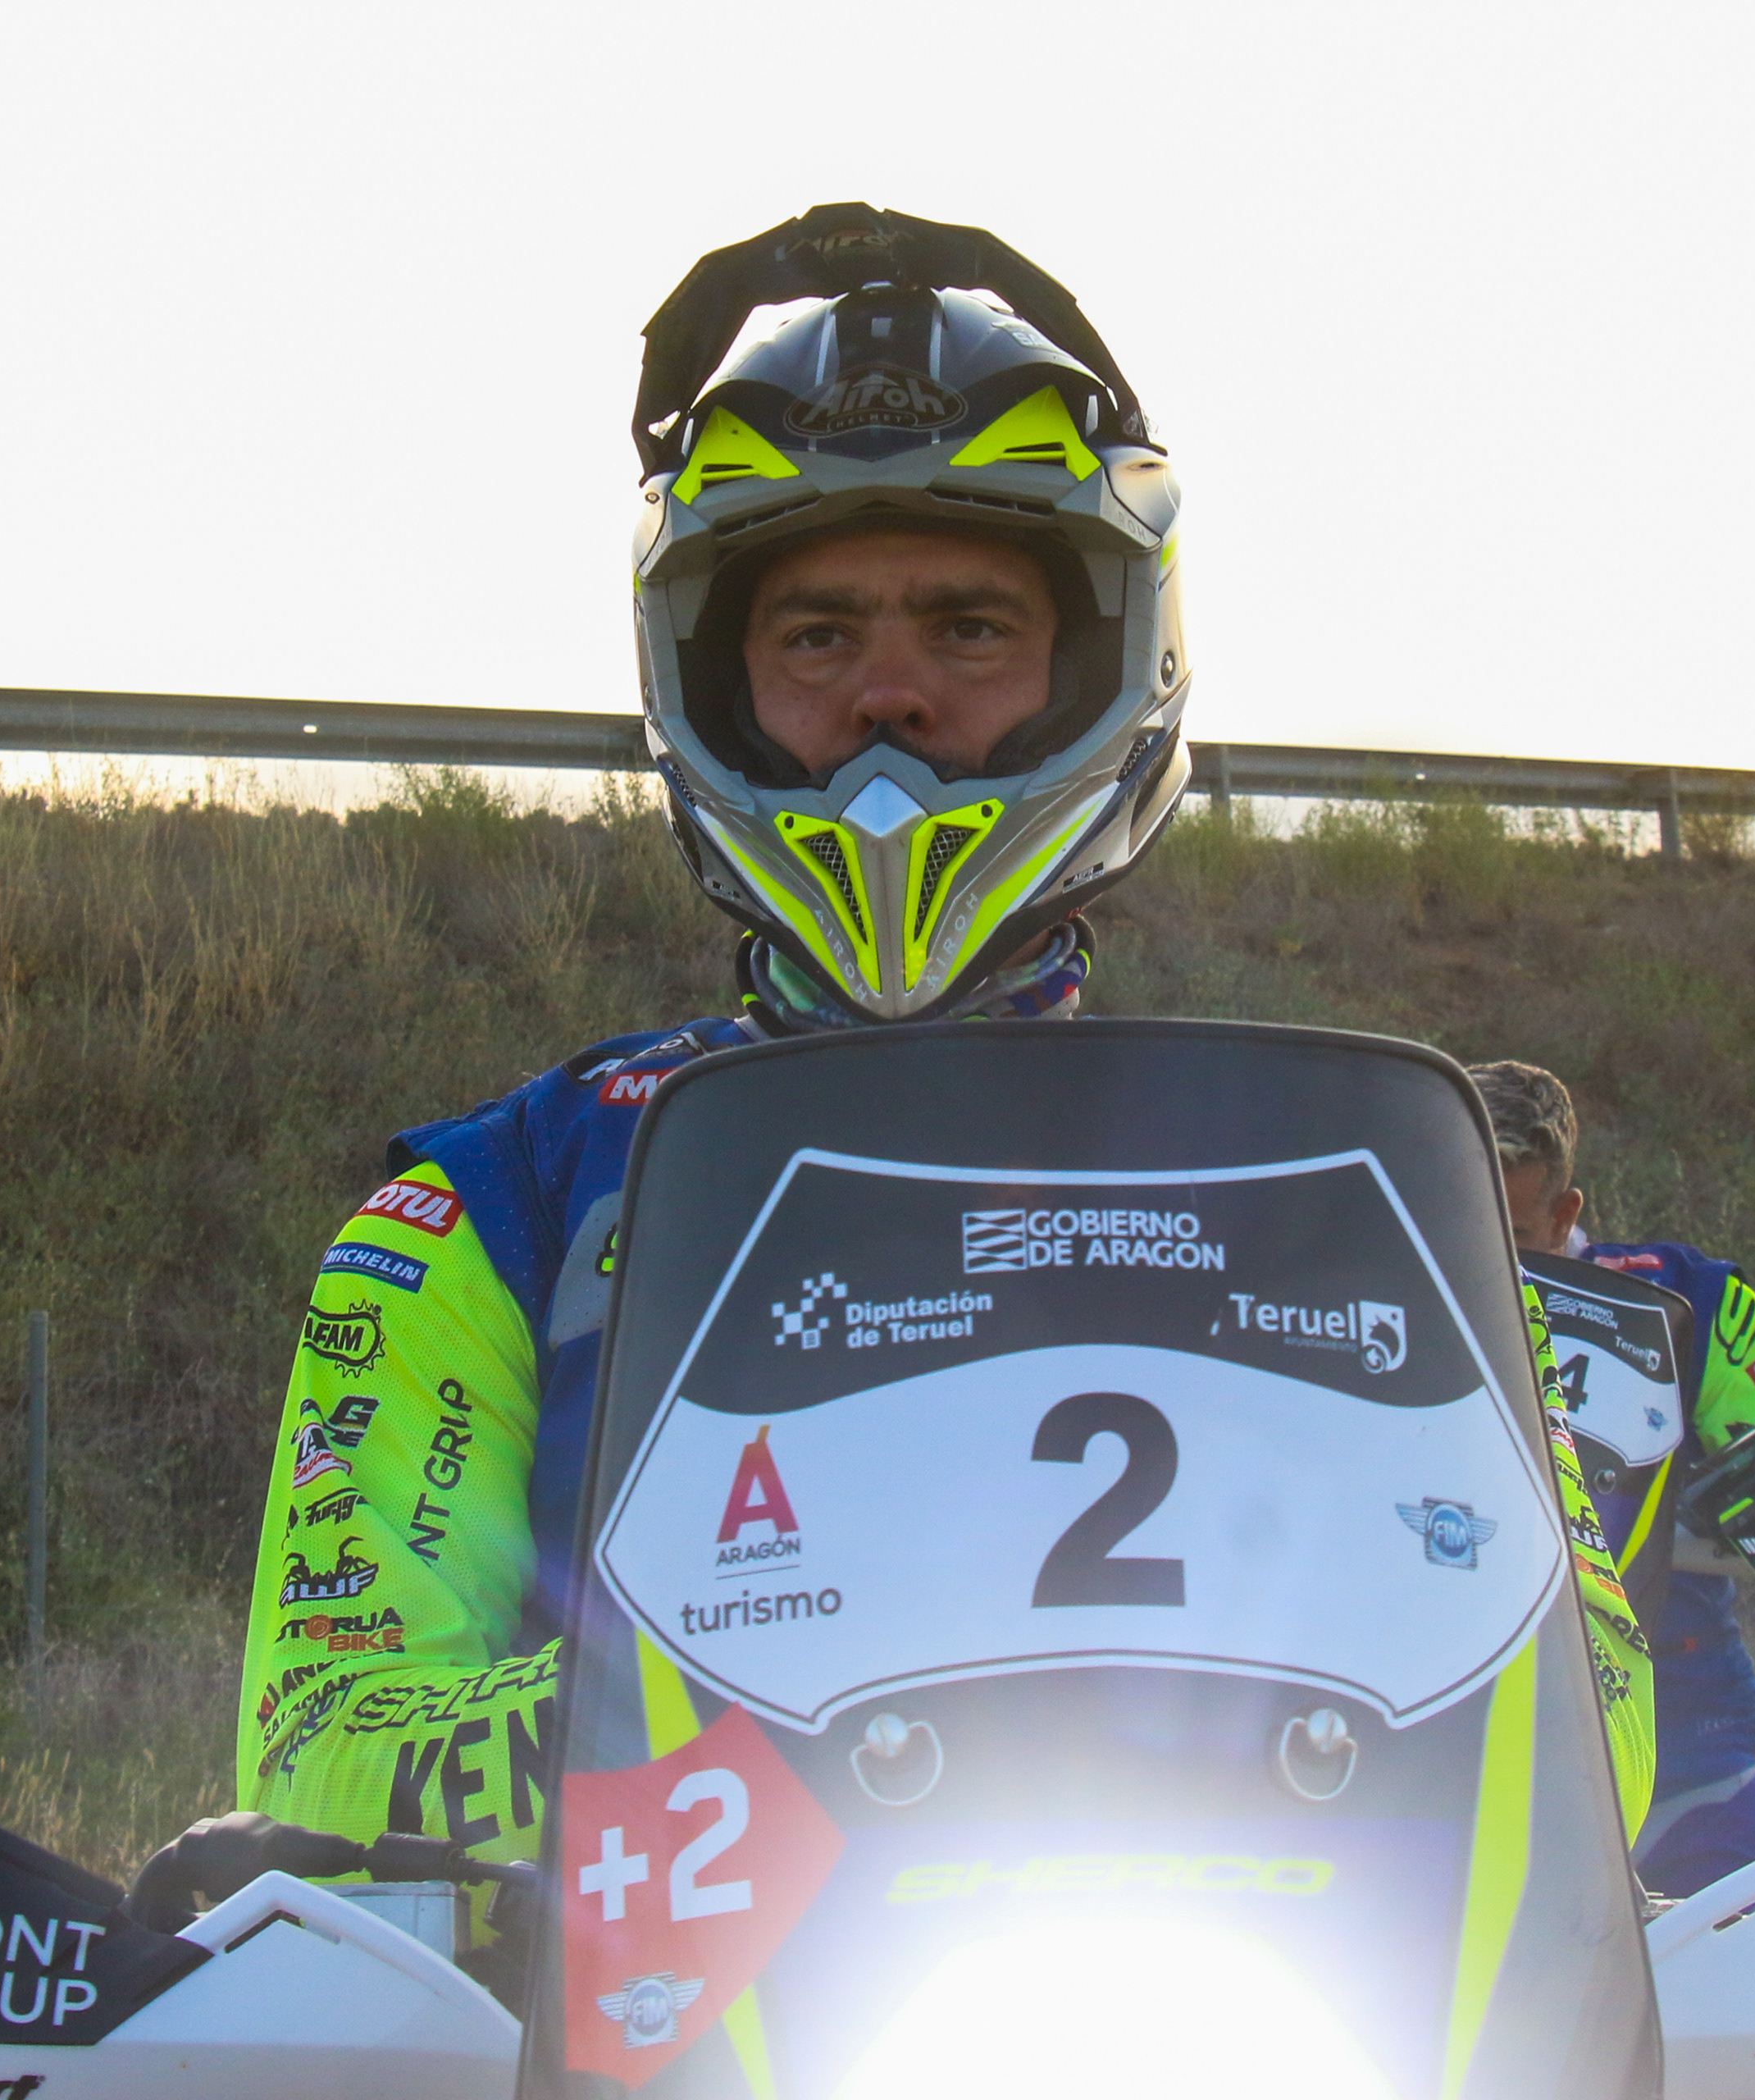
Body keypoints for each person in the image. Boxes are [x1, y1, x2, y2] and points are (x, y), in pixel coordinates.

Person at [228, 208, 1658, 1938]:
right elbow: (328, 1741)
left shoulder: (1341, 1190)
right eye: (816, 635)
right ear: (718, 685)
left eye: (970, 627)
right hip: (671, 2010)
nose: (889, 696)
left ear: (1101, 663)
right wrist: (785, 1702)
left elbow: (1593, 1719)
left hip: (1243, 1989)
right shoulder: (494, 1206)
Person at [1466, 1061, 1755, 1895]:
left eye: (1516, 1236)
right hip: (1469, 1705)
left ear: (1565, 1214)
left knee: (1742, 1959)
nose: (1488, 1264)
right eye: (1461, 1228)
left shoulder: (1694, 1301)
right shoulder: (1374, 1296)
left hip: (1684, 1718)